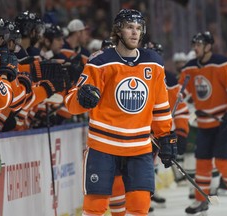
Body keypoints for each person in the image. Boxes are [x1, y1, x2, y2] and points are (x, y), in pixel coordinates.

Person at [64, 9, 177, 215]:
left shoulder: (153, 63)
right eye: (129, 27)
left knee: (140, 207)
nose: (134, 33)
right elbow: (71, 103)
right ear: (118, 31)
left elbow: (160, 106)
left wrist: (165, 136)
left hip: (139, 148)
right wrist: (82, 98)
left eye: (138, 28)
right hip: (103, 147)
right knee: (95, 208)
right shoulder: (100, 63)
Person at [179, 31, 227, 214]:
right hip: (205, 123)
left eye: (199, 44)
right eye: (194, 45)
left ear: (208, 46)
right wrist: (184, 105)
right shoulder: (189, 68)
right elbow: (180, 93)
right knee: (202, 164)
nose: (195, 48)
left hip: (226, 121)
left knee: (223, 162)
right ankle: (201, 200)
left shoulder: (223, 63)